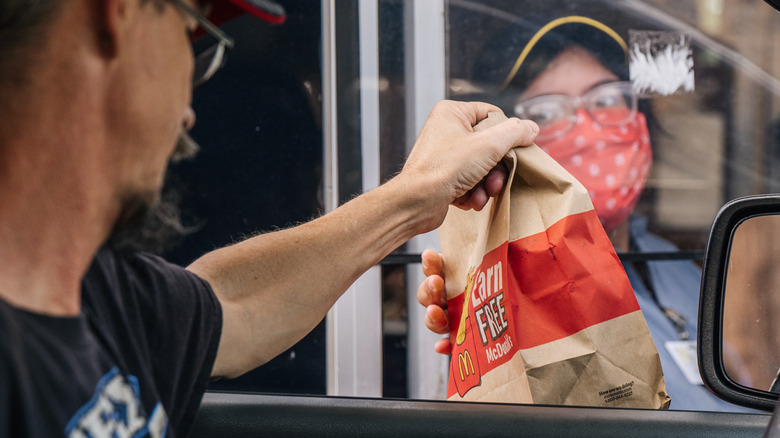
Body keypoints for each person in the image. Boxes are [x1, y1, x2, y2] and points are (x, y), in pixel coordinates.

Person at [0, 0, 540, 435]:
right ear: (119, 14)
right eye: (194, 39)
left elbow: (235, 303)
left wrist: (413, 196)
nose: (189, 109)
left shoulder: (104, 298)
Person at [417, 13, 757, 412]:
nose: (588, 127)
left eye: (608, 99)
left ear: (641, 118)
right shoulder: (522, 288)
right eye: (545, 112)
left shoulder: (675, 264)